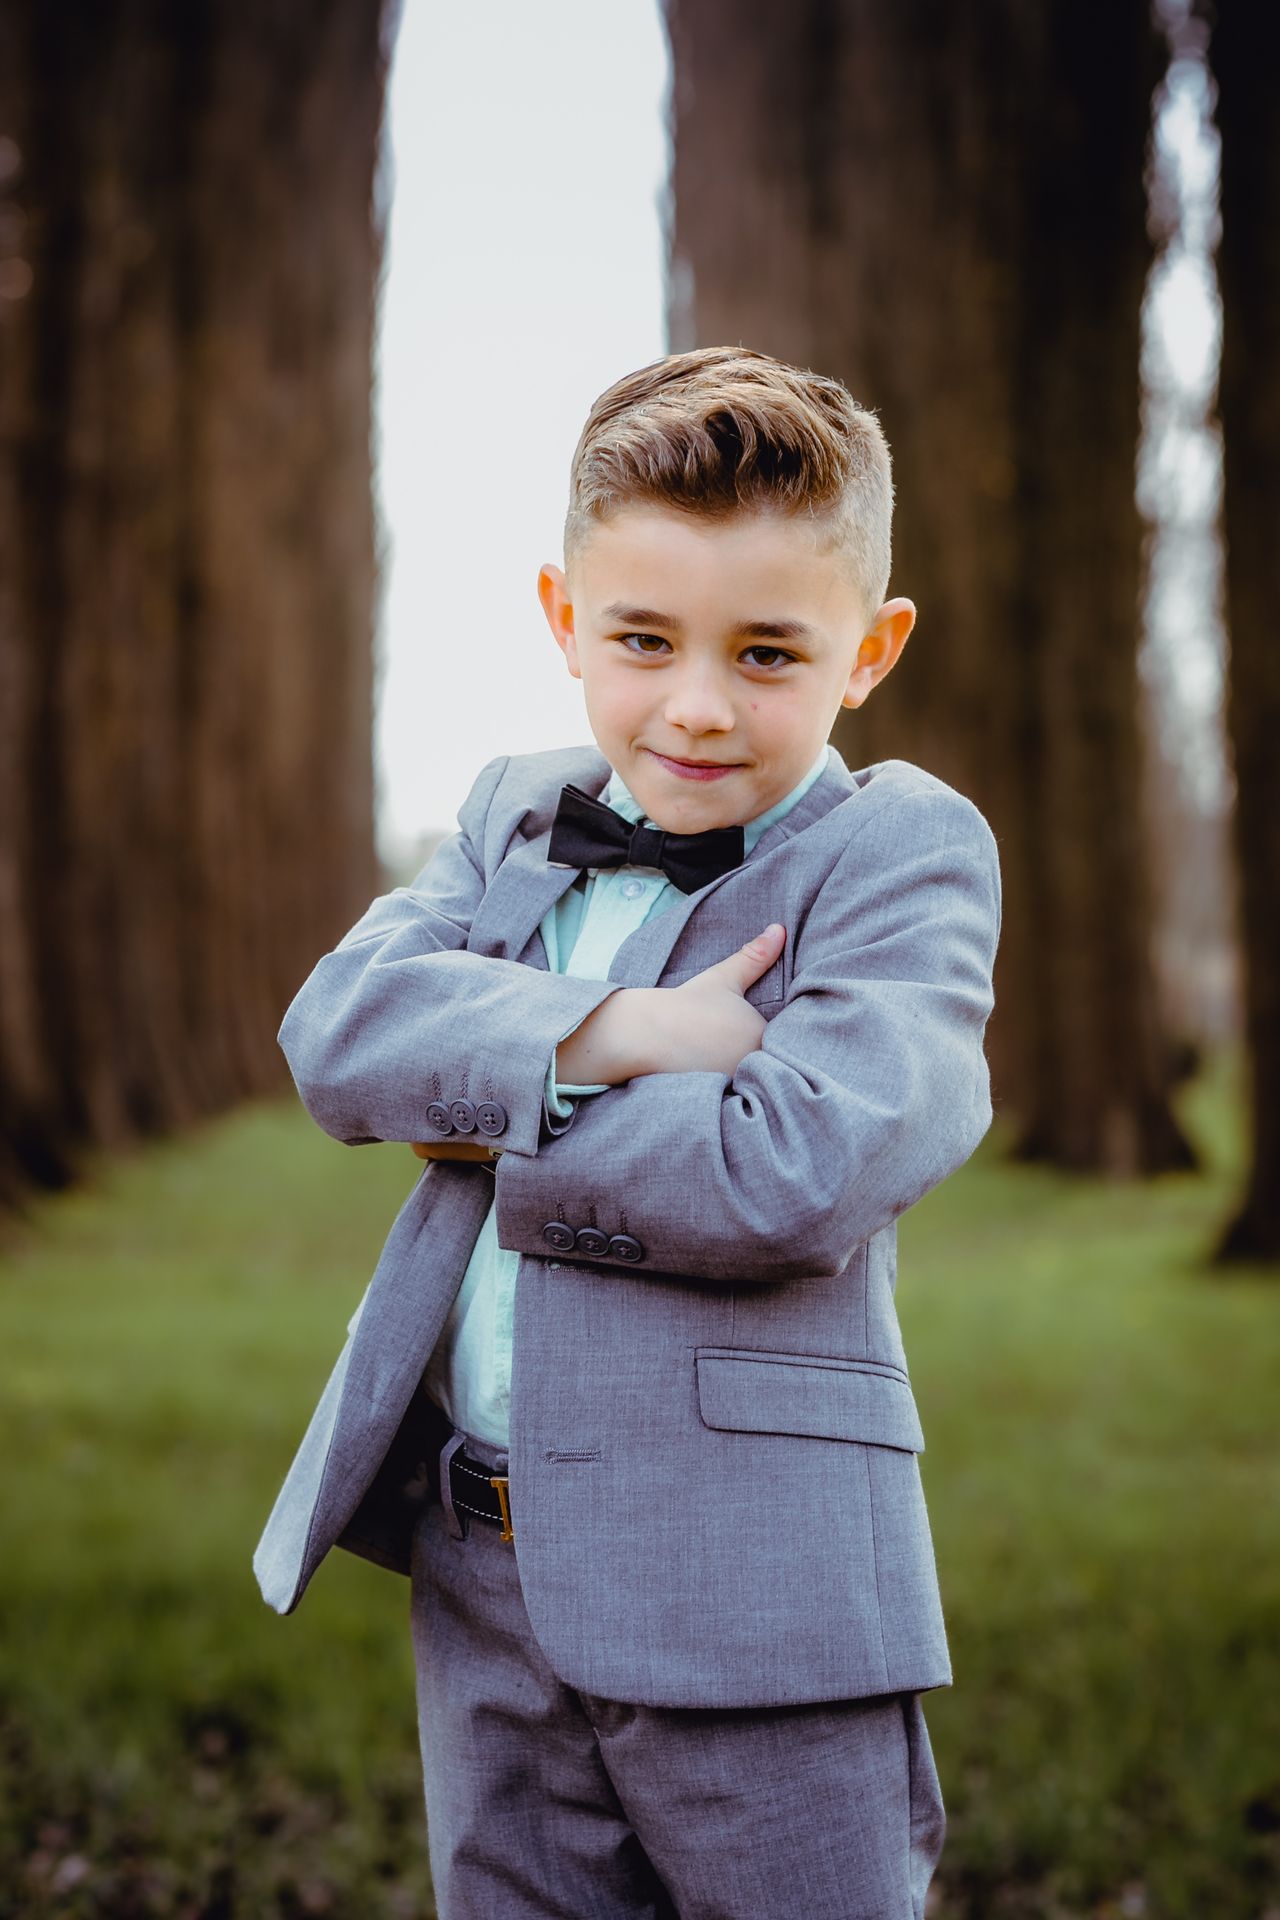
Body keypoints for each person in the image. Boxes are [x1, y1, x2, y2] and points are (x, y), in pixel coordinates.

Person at [253, 345, 1002, 1919]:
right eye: (644, 640)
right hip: (482, 1564)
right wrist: (622, 1034)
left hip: (761, 1592)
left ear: (870, 650)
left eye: (770, 654)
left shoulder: (902, 849)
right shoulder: (513, 814)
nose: (698, 706)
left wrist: (477, 1121)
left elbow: (793, 1168)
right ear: (561, 618)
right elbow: (337, 1037)